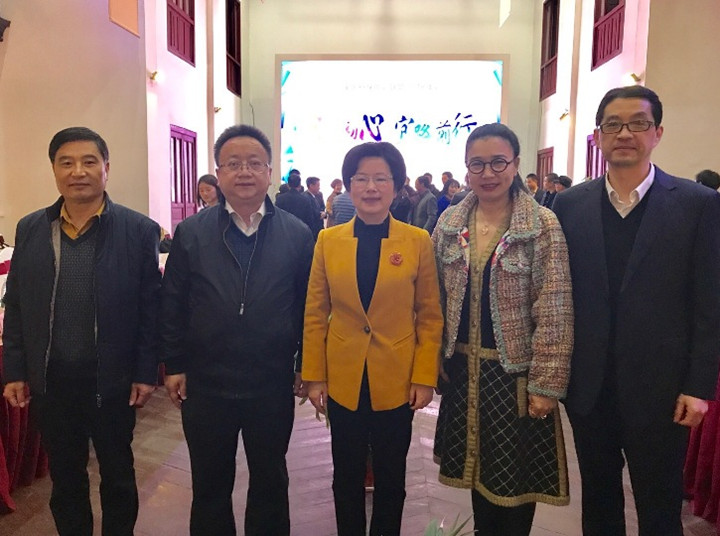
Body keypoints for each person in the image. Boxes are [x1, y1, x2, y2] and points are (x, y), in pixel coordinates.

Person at [553, 86, 720, 536]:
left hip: (663, 390)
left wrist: (699, 386)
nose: (625, 133)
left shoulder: (697, 204)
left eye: (638, 123)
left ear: (657, 132)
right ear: (598, 136)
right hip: (590, 388)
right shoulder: (569, 205)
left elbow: (709, 302)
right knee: (599, 501)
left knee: (659, 505)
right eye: (613, 124)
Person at [2, 126, 161, 536]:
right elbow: (16, 304)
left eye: (89, 162)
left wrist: (145, 372)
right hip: (53, 380)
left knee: (118, 474)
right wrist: (15, 370)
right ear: (54, 170)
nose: (78, 172)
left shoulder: (138, 230)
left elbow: (150, 311)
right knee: (66, 477)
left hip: (112, 379)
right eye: (66, 163)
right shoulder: (31, 228)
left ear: (106, 168)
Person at [159, 124, 314, 536]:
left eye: (254, 163)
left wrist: (305, 362)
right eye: (233, 164)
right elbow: (172, 302)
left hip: (271, 382)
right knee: (209, 484)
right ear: (218, 173)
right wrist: (174, 363)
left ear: (269, 172)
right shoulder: (192, 232)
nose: (244, 172)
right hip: (206, 383)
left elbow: (308, 308)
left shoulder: (297, 235)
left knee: (270, 480)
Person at [433, 123, 573, 536]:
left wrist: (546, 384)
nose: (488, 173)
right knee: (477, 473)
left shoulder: (541, 224)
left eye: (498, 162)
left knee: (516, 481)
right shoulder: (449, 223)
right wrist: (434, 358)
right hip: (463, 370)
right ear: (466, 168)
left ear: (515, 164)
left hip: (516, 376)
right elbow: (434, 298)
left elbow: (555, 305)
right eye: (477, 164)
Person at [303, 141, 443, 536]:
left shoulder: (417, 240)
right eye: (361, 178)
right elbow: (315, 313)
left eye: (381, 179)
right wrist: (314, 376)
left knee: (391, 477)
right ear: (348, 185)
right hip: (343, 377)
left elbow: (430, 315)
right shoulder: (328, 241)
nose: (370, 187)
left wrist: (424, 377)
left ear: (397, 186)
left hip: (396, 379)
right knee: (345, 475)